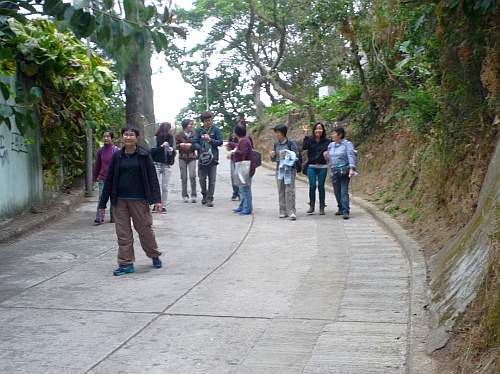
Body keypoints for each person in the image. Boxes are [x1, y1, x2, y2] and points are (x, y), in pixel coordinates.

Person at [98, 126, 163, 276]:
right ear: (122, 138)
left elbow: (153, 178)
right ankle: (126, 263)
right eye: (125, 135)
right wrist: (102, 204)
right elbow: (109, 181)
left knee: (145, 231)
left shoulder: (144, 155)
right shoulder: (117, 156)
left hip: (139, 200)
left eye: (131, 135)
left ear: (137, 138)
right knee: (123, 234)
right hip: (119, 201)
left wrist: (157, 200)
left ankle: (154, 254)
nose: (128, 137)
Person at [324, 126, 356, 219]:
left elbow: (351, 155)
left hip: (344, 171)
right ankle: (340, 207)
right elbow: (329, 160)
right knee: (336, 191)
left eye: (334, 133)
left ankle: (346, 210)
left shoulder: (347, 144)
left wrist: (352, 168)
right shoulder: (331, 145)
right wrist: (327, 160)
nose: (332, 135)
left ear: (340, 134)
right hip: (334, 171)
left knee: (343, 191)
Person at [192, 111, 223, 207]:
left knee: (212, 179)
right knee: (202, 178)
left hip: (213, 158)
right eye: (206, 121)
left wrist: (210, 140)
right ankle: (204, 194)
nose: (209, 122)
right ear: (203, 121)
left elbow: (220, 142)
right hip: (202, 158)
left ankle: (210, 198)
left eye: (210, 120)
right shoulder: (198, 130)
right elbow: (194, 142)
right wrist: (200, 148)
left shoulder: (216, 130)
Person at [270, 124, 299, 220]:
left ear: (283, 133)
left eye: (278, 132)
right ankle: (282, 211)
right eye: (276, 132)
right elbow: (273, 160)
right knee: (281, 189)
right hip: (279, 169)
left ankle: (291, 211)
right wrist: (273, 155)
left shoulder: (291, 143)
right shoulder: (276, 144)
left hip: (289, 170)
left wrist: (287, 155)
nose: (276, 134)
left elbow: (296, 156)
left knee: (289, 190)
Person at [92, 131, 120, 225]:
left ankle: (113, 217)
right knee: (101, 198)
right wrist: (94, 177)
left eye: (108, 136)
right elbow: (97, 165)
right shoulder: (100, 151)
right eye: (104, 136)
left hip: (114, 179)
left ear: (112, 138)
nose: (106, 138)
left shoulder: (116, 151)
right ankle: (99, 217)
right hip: (103, 178)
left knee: (113, 198)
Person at [302, 122, 330, 215]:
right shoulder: (310, 140)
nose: (318, 130)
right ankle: (312, 205)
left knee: (321, 187)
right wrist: (305, 134)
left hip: (323, 166)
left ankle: (322, 206)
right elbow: (304, 147)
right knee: (312, 186)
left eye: (320, 128)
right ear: (314, 130)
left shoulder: (327, 141)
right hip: (311, 166)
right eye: (317, 128)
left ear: (323, 130)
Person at [228, 125, 254, 215]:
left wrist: (233, 151)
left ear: (236, 133)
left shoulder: (244, 141)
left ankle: (248, 208)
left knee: (245, 189)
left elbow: (243, 152)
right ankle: (242, 206)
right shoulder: (244, 140)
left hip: (245, 167)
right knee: (242, 188)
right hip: (243, 167)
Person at [153, 122, 175, 213]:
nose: (167, 132)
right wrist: (161, 147)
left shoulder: (171, 138)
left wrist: (170, 149)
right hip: (156, 163)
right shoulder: (155, 138)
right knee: (156, 185)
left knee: (165, 186)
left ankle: (163, 205)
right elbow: (152, 151)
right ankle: (156, 204)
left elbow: (173, 151)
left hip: (167, 164)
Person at [176, 118, 197, 203]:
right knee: (183, 177)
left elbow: (197, 144)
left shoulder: (195, 134)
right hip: (182, 157)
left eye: (192, 124)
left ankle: (194, 195)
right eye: (190, 124)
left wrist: (191, 145)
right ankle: (184, 195)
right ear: (185, 125)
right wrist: (180, 145)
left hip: (192, 157)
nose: (191, 126)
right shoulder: (179, 134)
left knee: (192, 176)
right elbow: (175, 145)